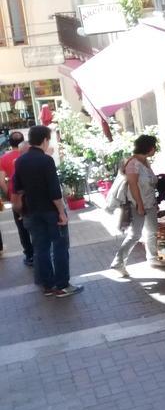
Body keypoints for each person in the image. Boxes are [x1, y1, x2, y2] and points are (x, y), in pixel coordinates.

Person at [12, 125, 81, 297]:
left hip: (32, 211)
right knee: (59, 246)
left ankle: (48, 285)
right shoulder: (46, 160)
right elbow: (54, 191)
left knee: (40, 248)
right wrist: (62, 212)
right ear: (45, 140)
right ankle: (62, 285)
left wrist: (21, 211)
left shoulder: (20, 161)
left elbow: (18, 190)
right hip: (50, 211)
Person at [110, 135, 165, 276]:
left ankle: (152, 257)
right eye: (154, 147)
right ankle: (118, 262)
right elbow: (133, 186)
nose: (155, 150)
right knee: (135, 234)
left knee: (152, 230)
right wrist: (140, 205)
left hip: (150, 202)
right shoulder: (133, 163)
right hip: (137, 204)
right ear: (150, 148)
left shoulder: (145, 161)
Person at [0, 132, 33, 266]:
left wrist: (9, 194)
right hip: (32, 194)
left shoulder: (3, 159)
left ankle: (29, 255)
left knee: (21, 227)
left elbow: (1, 181)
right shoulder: (28, 154)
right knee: (36, 225)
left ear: (9, 143)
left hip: (16, 197)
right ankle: (39, 252)